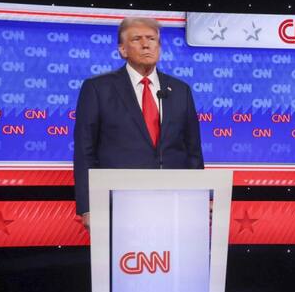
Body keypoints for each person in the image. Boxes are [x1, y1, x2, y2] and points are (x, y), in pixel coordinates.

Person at [73, 17, 204, 227]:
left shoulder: (180, 90)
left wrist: (201, 197)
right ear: (122, 50)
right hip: (119, 202)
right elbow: (85, 151)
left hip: (173, 201)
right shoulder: (98, 88)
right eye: (137, 39)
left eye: (152, 39)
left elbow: (193, 150)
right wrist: (88, 206)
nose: (146, 44)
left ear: (159, 47)